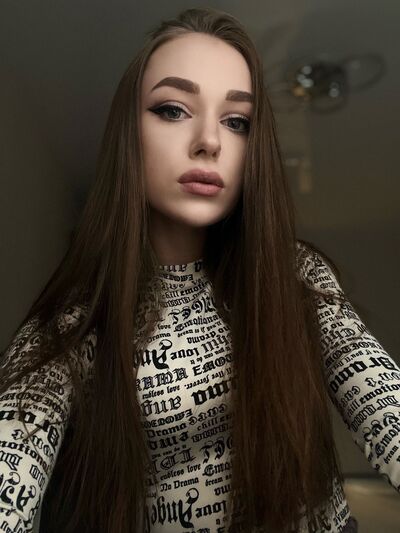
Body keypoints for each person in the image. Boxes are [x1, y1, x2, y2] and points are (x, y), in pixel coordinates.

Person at [0, 7, 399, 533]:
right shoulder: (73, 324)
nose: (210, 140)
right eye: (173, 109)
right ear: (127, 133)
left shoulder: (295, 275)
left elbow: (383, 404)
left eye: (237, 122)